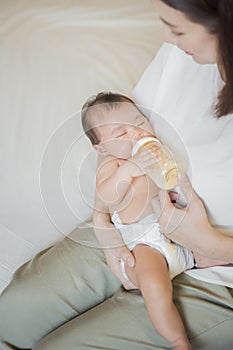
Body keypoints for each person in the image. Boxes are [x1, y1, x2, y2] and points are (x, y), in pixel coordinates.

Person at [0, 1, 233, 349]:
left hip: (218, 268)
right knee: (11, 315)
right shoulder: (184, 53)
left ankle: (179, 340)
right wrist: (106, 228)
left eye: (179, 29)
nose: (167, 38)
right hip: (134, 226)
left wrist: (209, 242)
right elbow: (111, 137)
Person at [82, 91, 195, 349]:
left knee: (214, 251)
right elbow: (105, 197)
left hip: (176, 234)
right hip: (142, 245)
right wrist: (130, 169)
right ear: (102, 148)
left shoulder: (158, 153)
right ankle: (178, 340)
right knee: (155, 286)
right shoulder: (113, 164)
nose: (136, 134)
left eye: (140, 122)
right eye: (122, 133)